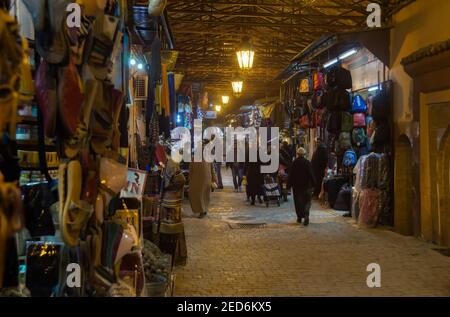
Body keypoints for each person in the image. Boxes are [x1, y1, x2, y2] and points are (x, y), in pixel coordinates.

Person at [288, 147, 316, 226]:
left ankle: (299, 217)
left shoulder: (294, 163)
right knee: (307, 201)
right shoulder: (307, 162)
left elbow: (291, 175)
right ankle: (306, 215)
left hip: (296, 187)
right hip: (307, 186)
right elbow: (311, 174)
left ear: (297, 154)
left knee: (298, 202)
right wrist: (314, 184)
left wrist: (288, 186)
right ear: (304, 154)